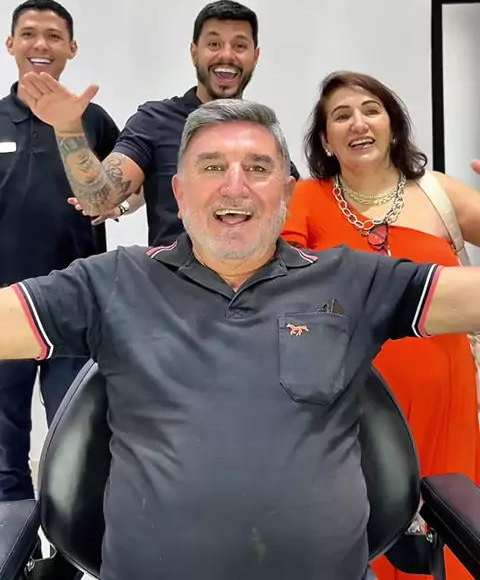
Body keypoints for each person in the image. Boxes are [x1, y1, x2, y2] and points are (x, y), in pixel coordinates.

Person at [2, 98, 480, 580]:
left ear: (287, 191)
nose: (235, 186)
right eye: (212, 167)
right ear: (180, 192)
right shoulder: (112, 282)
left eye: (258, 168)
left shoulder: (353, 280)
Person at [280, 70, 480, 580]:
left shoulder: (437, 193)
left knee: (449, 528)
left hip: (446, 399)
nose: (358, 123)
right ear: (326, 140)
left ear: (393, 125)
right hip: (352, 405)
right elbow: (278, 285)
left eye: (371, 110)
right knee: (359, 534)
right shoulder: (306, 197)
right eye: (340, 116)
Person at [26, 0, 299, 245]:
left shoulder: (263, 133)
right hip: (171, 283)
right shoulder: (154, 122)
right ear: (194, 52)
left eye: (240, 46)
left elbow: (291, 216)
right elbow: (99, 199)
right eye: (214, 44)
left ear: (255, 56)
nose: (227, 55)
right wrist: (68, 128)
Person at [0, 0, 120, 504]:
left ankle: (68, 544)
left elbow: (120, 192)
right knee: (3, 454)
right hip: (5, 308)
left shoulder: (92, 121)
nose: (41, 45)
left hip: (76, 309)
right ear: (11, 44)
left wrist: (118, 202)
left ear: (72, 48)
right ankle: (13, 543)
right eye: (29, 34)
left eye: (54, 36)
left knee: (76, 446)